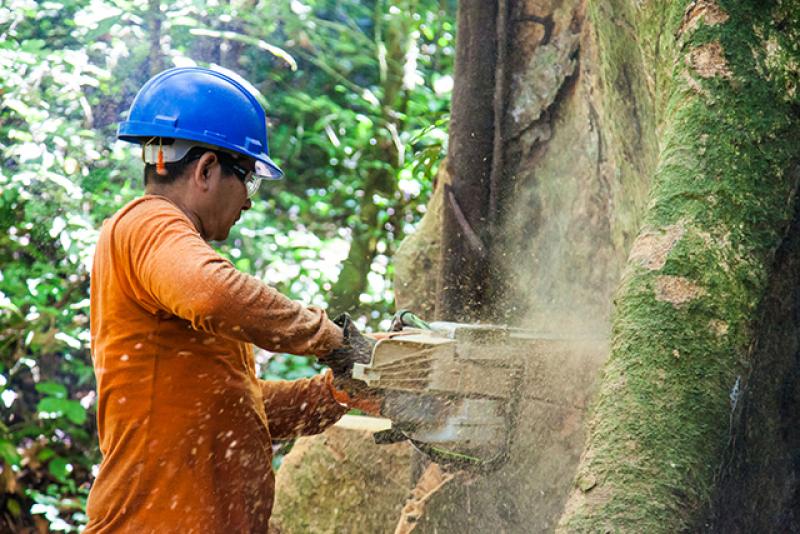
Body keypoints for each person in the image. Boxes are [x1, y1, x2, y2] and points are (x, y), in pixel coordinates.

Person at [85, 67, 374, 533]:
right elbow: (214, 294)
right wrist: (331, 339)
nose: (249, 202)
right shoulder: (146, 224)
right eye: (250, 180)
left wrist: (335, 393)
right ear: (205, 170)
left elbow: (233, 407)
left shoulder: (167, 259)